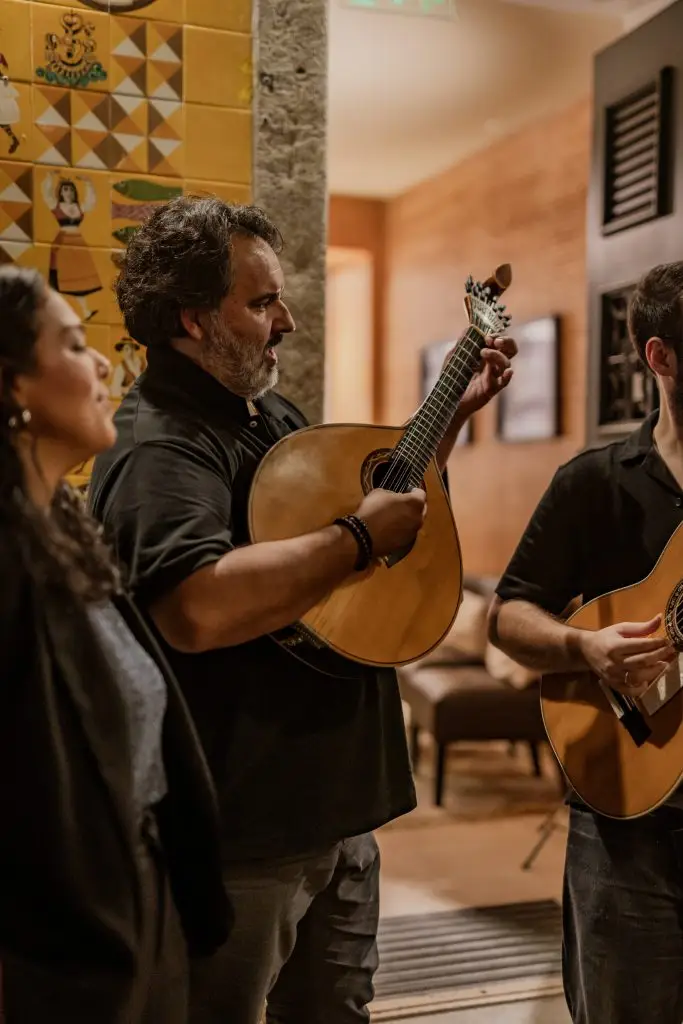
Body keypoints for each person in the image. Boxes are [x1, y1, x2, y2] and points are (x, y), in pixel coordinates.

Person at [87, 195, 516, 1024]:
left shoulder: (270, 415)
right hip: (245, 834)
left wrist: (447, 425)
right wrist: (354, 536)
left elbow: (378, 518)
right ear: (192, 319)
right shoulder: (160, 443)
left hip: (334, 812)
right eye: (260, 302)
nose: (285, 320)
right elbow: (196, 607)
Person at [0, 265, 229, 1023]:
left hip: (133, 893)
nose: (103, 363)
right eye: (71, 344)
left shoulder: (62, 527)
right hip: (46, 944)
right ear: (12, 386)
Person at [488, 261, 683, 1024]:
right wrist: (587, 651)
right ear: (660, 358)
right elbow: (507, 613)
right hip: (624, 819)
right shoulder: (593, 483)